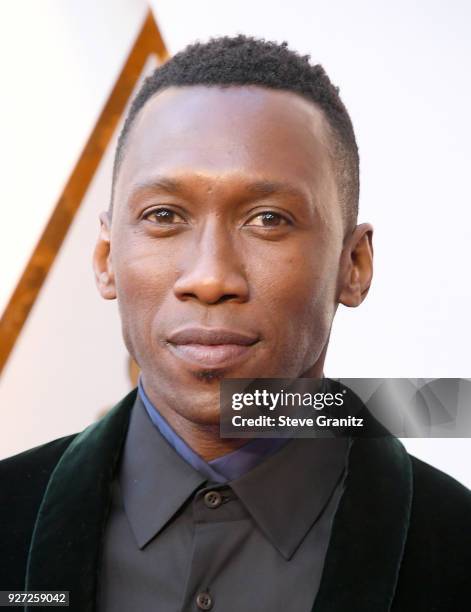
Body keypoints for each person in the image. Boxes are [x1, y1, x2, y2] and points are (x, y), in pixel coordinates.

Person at [1, 36, 470, 612]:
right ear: (105, 260)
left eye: (268, 219)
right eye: (164, 216)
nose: (210, 276)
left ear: (354, 265)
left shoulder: (455, 550)